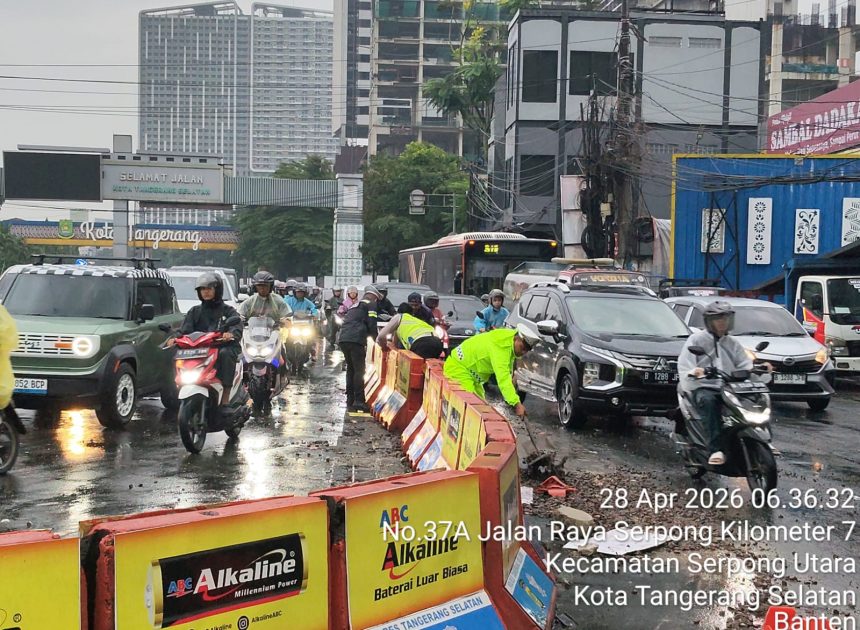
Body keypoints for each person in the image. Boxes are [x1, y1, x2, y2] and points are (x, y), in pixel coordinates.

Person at [677, 301, 752, 466]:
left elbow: (744, 363)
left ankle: (759, 438)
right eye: (718, 319)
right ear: (709, 321)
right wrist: (695, 371)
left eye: (725, 318)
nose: (722, 322)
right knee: (710, 403)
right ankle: (715, 449)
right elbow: (685, 364)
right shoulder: (696, 339)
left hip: (729, 387)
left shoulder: (732, 343)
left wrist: (756, 368)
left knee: (754, 400)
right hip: (703, 387)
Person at [168, 272, 243, 405]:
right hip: (200, 350)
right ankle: (174, 390)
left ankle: (225, 394)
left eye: (209, 288)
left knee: (226, 354)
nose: (205, 292)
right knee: (174, 353)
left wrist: (230, 334)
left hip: (221, 347)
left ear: (217, 290)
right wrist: (174, 338)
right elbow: (184, 330)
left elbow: (236, 325)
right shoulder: (194, 311)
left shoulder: (228, 310)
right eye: (202, 289)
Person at [443, 323, 540, 419]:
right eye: (522, 348)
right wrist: (516, 403)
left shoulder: (508, 340)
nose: (523, 353)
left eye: (526, 351)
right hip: (459, 368)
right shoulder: (501, 347)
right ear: (516, 338)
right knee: (469, 408)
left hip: (471, 373)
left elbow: (507, 373)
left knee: (481, 408)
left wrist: (512, 393)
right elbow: (503, 379)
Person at [338, 286, 383, 412]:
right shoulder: (371, 305)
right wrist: (377, 340)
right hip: (356, 340)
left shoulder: (355, 305)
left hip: (344, 339)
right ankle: (359, 401)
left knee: (350, 369)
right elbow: (372, 324)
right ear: (373, 296)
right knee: (359, 370)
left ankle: (350, 399)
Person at [376, 303, 444, 359]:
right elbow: (397, 345)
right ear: (412, 314)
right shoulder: (416, 320)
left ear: (398, 313)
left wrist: (384, 349)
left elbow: (381, 337)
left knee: (416, 370)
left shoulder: (399, 316)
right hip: (437, 342)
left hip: (421, 343)